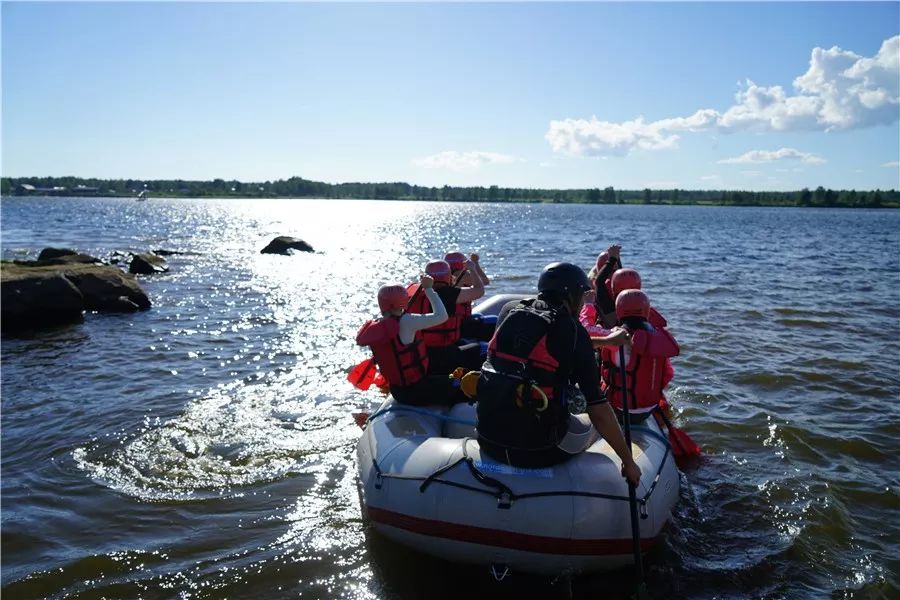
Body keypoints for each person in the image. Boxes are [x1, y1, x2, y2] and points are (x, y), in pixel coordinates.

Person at [475, 262, 641, 487]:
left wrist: (607, 341)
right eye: (581, 296)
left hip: (487, 440)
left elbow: (544, 349)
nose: (583, 302)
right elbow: (598, 408)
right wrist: (628, 461)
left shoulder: (509, 311)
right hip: (538, 452)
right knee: (591, 422)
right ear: (570, 295)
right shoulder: (573, 331)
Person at [355, 275, 463, 406]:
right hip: (417, 390)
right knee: (465, 383)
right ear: (403, 299)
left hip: (397, 391)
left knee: (449, 378)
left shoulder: (377, 327)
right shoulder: (407, 321)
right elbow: (442, 316)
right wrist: (429, 289)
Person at [599, 289, 679, 423]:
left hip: (620, 410)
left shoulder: (614, 337)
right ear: (647, 310)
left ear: (619, 310)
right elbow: (668, 374)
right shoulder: (658, 340)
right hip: (650, 408)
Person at [407, 259, 485, 374]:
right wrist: (472, 269)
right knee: (485, 347)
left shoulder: (414, 293)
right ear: (448, 276)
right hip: (445, 353)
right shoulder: (450, 293)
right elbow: (479, 290)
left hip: (422, 352)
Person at [444, 251, 496, 342]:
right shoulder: (463, 275)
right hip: (462, 324)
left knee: (479, 315)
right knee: (495, 320)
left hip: (451, 323)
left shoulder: (445, 278)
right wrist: (475, 265)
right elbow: (485, 281)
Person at [585, 244, 623, 329]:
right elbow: (599, 282)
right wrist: (614, 258)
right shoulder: (597, 288)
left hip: (612, 330)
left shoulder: (622, 285)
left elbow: (599, 282)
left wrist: (613, 259)